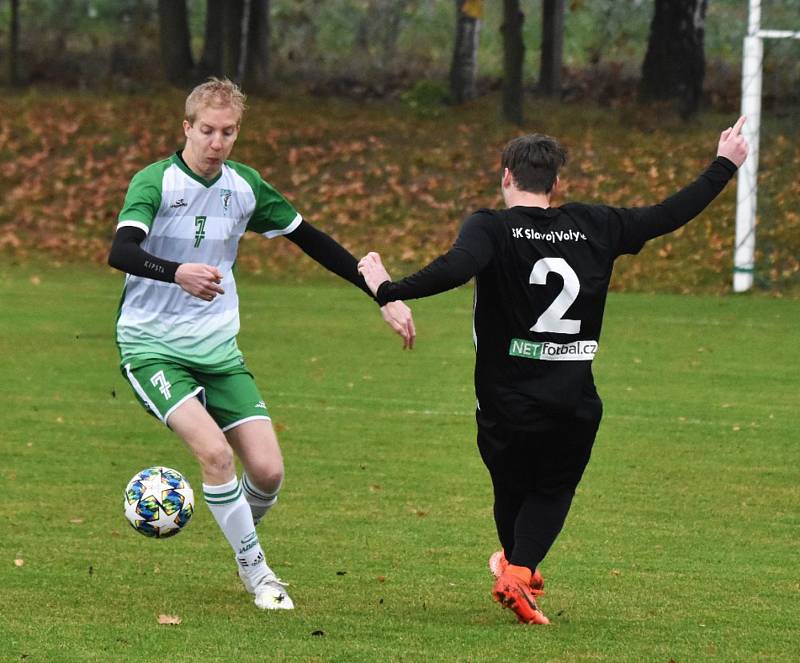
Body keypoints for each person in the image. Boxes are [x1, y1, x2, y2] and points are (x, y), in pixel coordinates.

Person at [358, 118, 749, 625]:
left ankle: (517, 571)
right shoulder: (596, 224)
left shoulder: (490, 226)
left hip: (504, 402)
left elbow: (455, 267)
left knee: (511, 489)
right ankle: (519, 570)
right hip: (571, 398)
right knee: (553, 489)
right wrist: (725, 164)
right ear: (556, 184)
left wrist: (388, 289)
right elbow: (668, 214)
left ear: (506, 177)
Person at [108, 77, 415, 611]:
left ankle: (238, 537)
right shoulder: (154, 182)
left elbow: (312, 240)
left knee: (269, 473)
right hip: (151, 347)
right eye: (207, 130)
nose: (217, 142)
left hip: (218, 351)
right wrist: (177, 272)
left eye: (228, 132)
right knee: (216, 456)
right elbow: (122, 251)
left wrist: (381, 294)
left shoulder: (245, 187)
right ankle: (258, 572)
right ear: (187, 127)